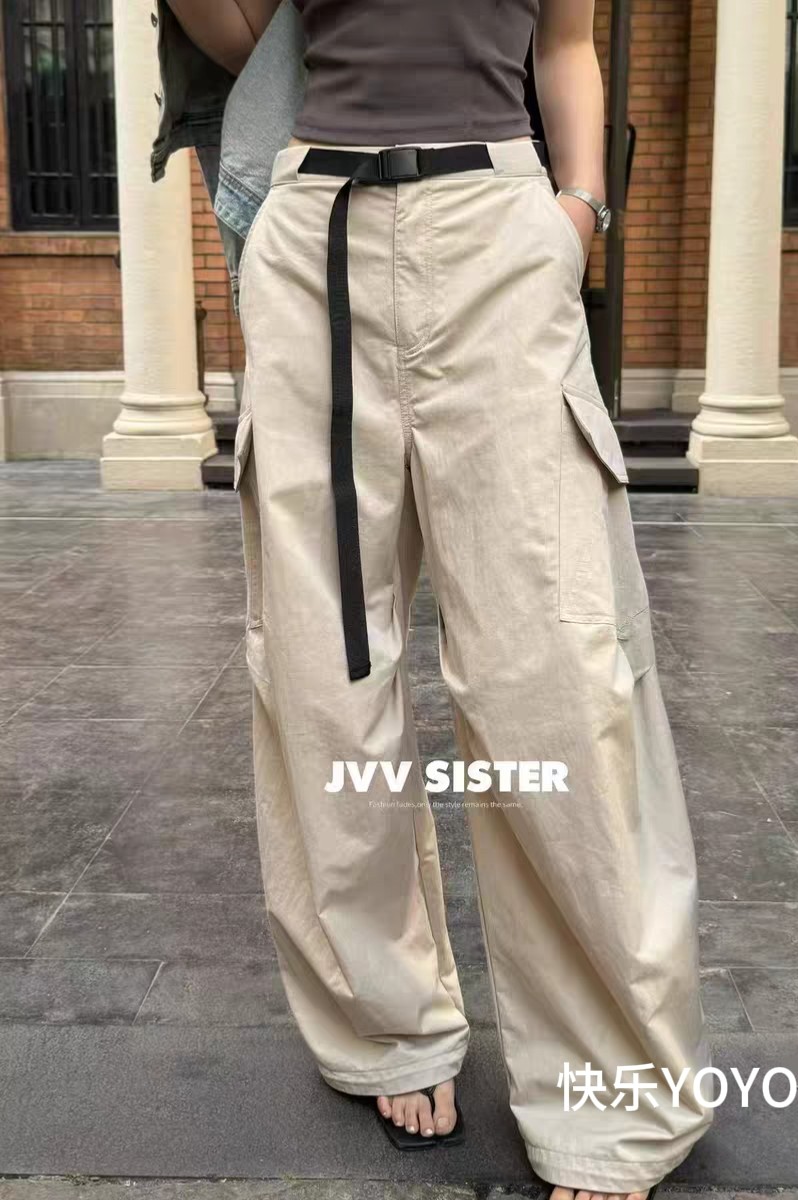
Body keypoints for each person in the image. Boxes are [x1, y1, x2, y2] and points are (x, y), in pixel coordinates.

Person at [153, 3, 715, 1198]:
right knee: (324, 668)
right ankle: (386, 1021)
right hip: (315, 234)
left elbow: (565, 43)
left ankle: (611, 1086)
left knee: (554, 668)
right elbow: (244, 37)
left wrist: (577, 213)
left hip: (497, 233)